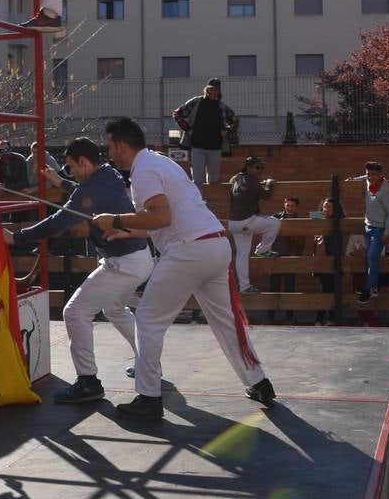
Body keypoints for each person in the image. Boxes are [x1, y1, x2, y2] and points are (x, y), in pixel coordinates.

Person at [91, 116, 275, 420]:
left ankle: (149, 398)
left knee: (148, 320)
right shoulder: (161, 163)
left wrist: (116, 220)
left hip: (189, 250)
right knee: (225, 322)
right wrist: (126, 229)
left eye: (110, 146)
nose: (109, 153)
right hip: (214, 245)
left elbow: (160, 217)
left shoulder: (143, 171)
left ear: (121, 145)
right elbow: (163, 220)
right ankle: (259, 383)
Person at [3, 138, 151, 404]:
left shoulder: (90, 189)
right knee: (115, 309)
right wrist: (62, 183)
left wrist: (17, 237)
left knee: (74, 311)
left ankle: (88, 382)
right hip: (138, 258)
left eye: (70, 167)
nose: (69, 172)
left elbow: (59, 220)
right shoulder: (109, 174)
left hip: (123, 264)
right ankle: (148, 361)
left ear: (83, 162)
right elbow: (85, 196)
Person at [227, 156, 279, 294]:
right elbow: (266, 195)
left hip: (234, 223)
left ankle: (244, 287)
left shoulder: (239, 178)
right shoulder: (251, 180)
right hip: (246, 221)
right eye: (257, 167)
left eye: (262, 167)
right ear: (249, 168)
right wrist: (269, 183)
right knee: (274, 223)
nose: (260, 170)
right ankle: (263, 249)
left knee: (242, 255)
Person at [172, 79, 238, 185]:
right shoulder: (196, 102)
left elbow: (235, 120)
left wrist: (227, 130)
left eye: (215, 89)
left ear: (219, 91)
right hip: (197, 146)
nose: (213, 91)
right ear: (206, 89)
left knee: (214, 179)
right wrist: (188, 129)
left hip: (215, 147)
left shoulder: (221, 106)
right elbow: (177, 114)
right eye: (211, 89)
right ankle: (198, 201)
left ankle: (210, 202)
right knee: (197, 179)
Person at [348, 161, 389, 304]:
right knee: (370, 259)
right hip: (368, 226)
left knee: (372, 258)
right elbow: (364, 177)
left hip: (380, 228)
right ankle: (374, 287)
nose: (370, 177)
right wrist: (354, 180)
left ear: (381, 174)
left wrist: (387, 231)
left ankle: (368, 289)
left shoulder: (386, 190)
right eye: (368, 174)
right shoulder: (368, 180)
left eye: (373, 174)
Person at [269, 197, 307, 324]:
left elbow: (301, 243)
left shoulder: (299, 221)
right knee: (273, 288)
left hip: (291, 259)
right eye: (288, 205)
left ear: (296, 208)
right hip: (275, 258)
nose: (290, 208)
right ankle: (270, 318)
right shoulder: (276, 217)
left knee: (290, 288)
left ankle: (289, 318)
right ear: (284, 205)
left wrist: (290, 231)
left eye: (293, 206)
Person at [310, 197, 345, 326]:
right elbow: (309, 218)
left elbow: (342, 217)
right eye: (325, 206)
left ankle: (322, 319)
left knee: (328, 289)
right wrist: (320, 214)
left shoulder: (337, 221)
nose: (326, 209)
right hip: (320, 260)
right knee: (326, 289)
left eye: (329, 207)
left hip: (332, 261)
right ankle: (325, 319)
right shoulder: (318, 218)